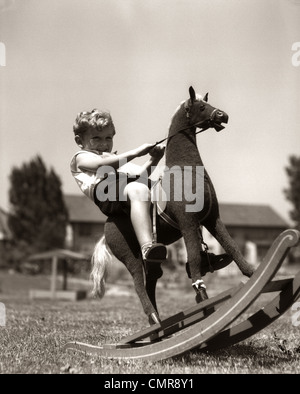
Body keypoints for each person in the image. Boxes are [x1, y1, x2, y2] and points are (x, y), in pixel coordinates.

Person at [70, 108, 167, 263]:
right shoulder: (81, 158)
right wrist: (136, 153)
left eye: (108, 138)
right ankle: (147, 247)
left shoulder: (116, 159)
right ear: (79, 141)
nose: (103, 144)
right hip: (105, 192)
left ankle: (199, 250)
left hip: (127, 188)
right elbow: (102, 165)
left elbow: (140, 176)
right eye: (96, 138)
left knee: (174, 189)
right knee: (138, 189)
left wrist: (154, 159)